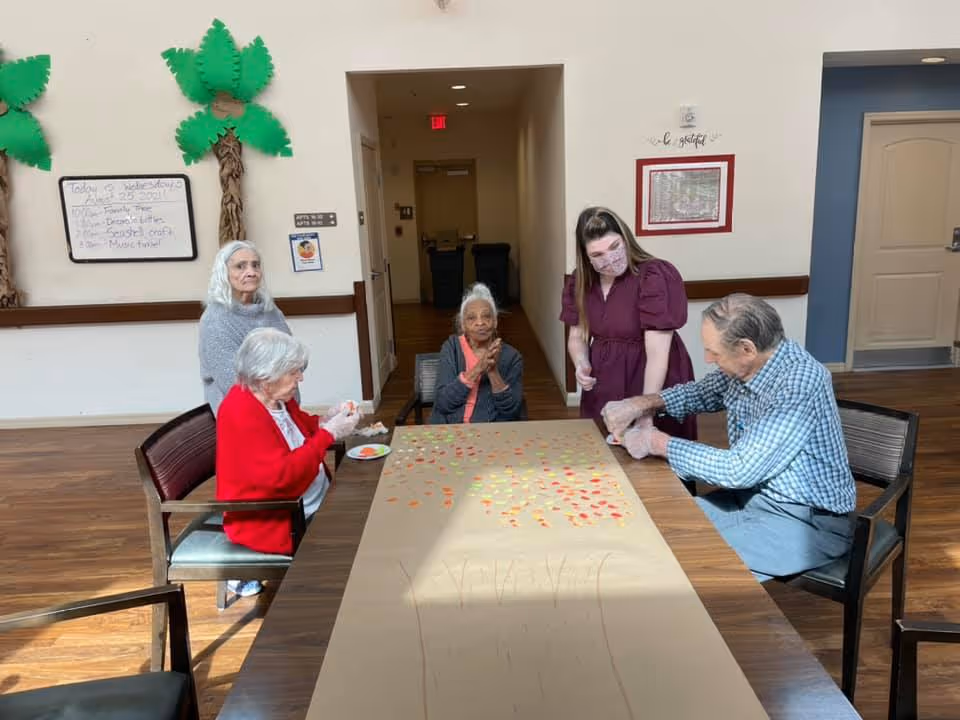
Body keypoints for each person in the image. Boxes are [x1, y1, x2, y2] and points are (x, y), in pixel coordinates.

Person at [602, 294, 856, 582]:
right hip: (751, 500)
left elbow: (738, 469)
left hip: (807, 522)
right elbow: (697, 394)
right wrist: (639, 404)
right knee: (655, 528)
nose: (709, 359)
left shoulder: (800, 383)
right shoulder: (749, 364)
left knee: (684, 561)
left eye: (714, 353)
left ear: (746, 348)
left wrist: (655, 442)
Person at [216, 327, 360, 597]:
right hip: (278, 519)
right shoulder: (241, 411)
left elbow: (298, 425)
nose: (300, 378)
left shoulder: (275, 398)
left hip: (309, 502)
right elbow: (283, 478)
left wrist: (326, 421)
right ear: (265, 377)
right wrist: (329, 434)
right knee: (361, 535)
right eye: (293, 372)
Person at [560, 206, 696, 440]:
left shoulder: (653, 276)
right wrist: (581, 362)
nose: (610, 259)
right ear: (586, 256)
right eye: (597, 255)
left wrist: (645, 414)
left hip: (652, 376)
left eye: (614, 247)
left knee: (654, 453)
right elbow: (576, 336)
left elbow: (657, 354)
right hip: (605, 378)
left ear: (626, 240)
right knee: (606, 449)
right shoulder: (580, 283)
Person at [199, 240, 293, 415]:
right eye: (240, 266)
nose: (251, 272)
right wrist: (278, 372)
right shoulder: (215, 319)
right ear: (224, 273)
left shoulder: (270, 311)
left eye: (255, 265)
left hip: (283, 407)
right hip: (243, 415)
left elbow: (296, 361)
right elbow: (233, 382)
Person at [431, 282, 524, 424]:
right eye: (471, 318)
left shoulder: (512, 357)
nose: (480, 323)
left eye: (486, 316)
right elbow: (443, 403)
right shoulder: (451, 348)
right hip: (450, 430)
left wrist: (492, 370)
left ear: (495, 322)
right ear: (463, 325)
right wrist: (479, 368)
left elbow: (511, 410)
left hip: (491, 432)